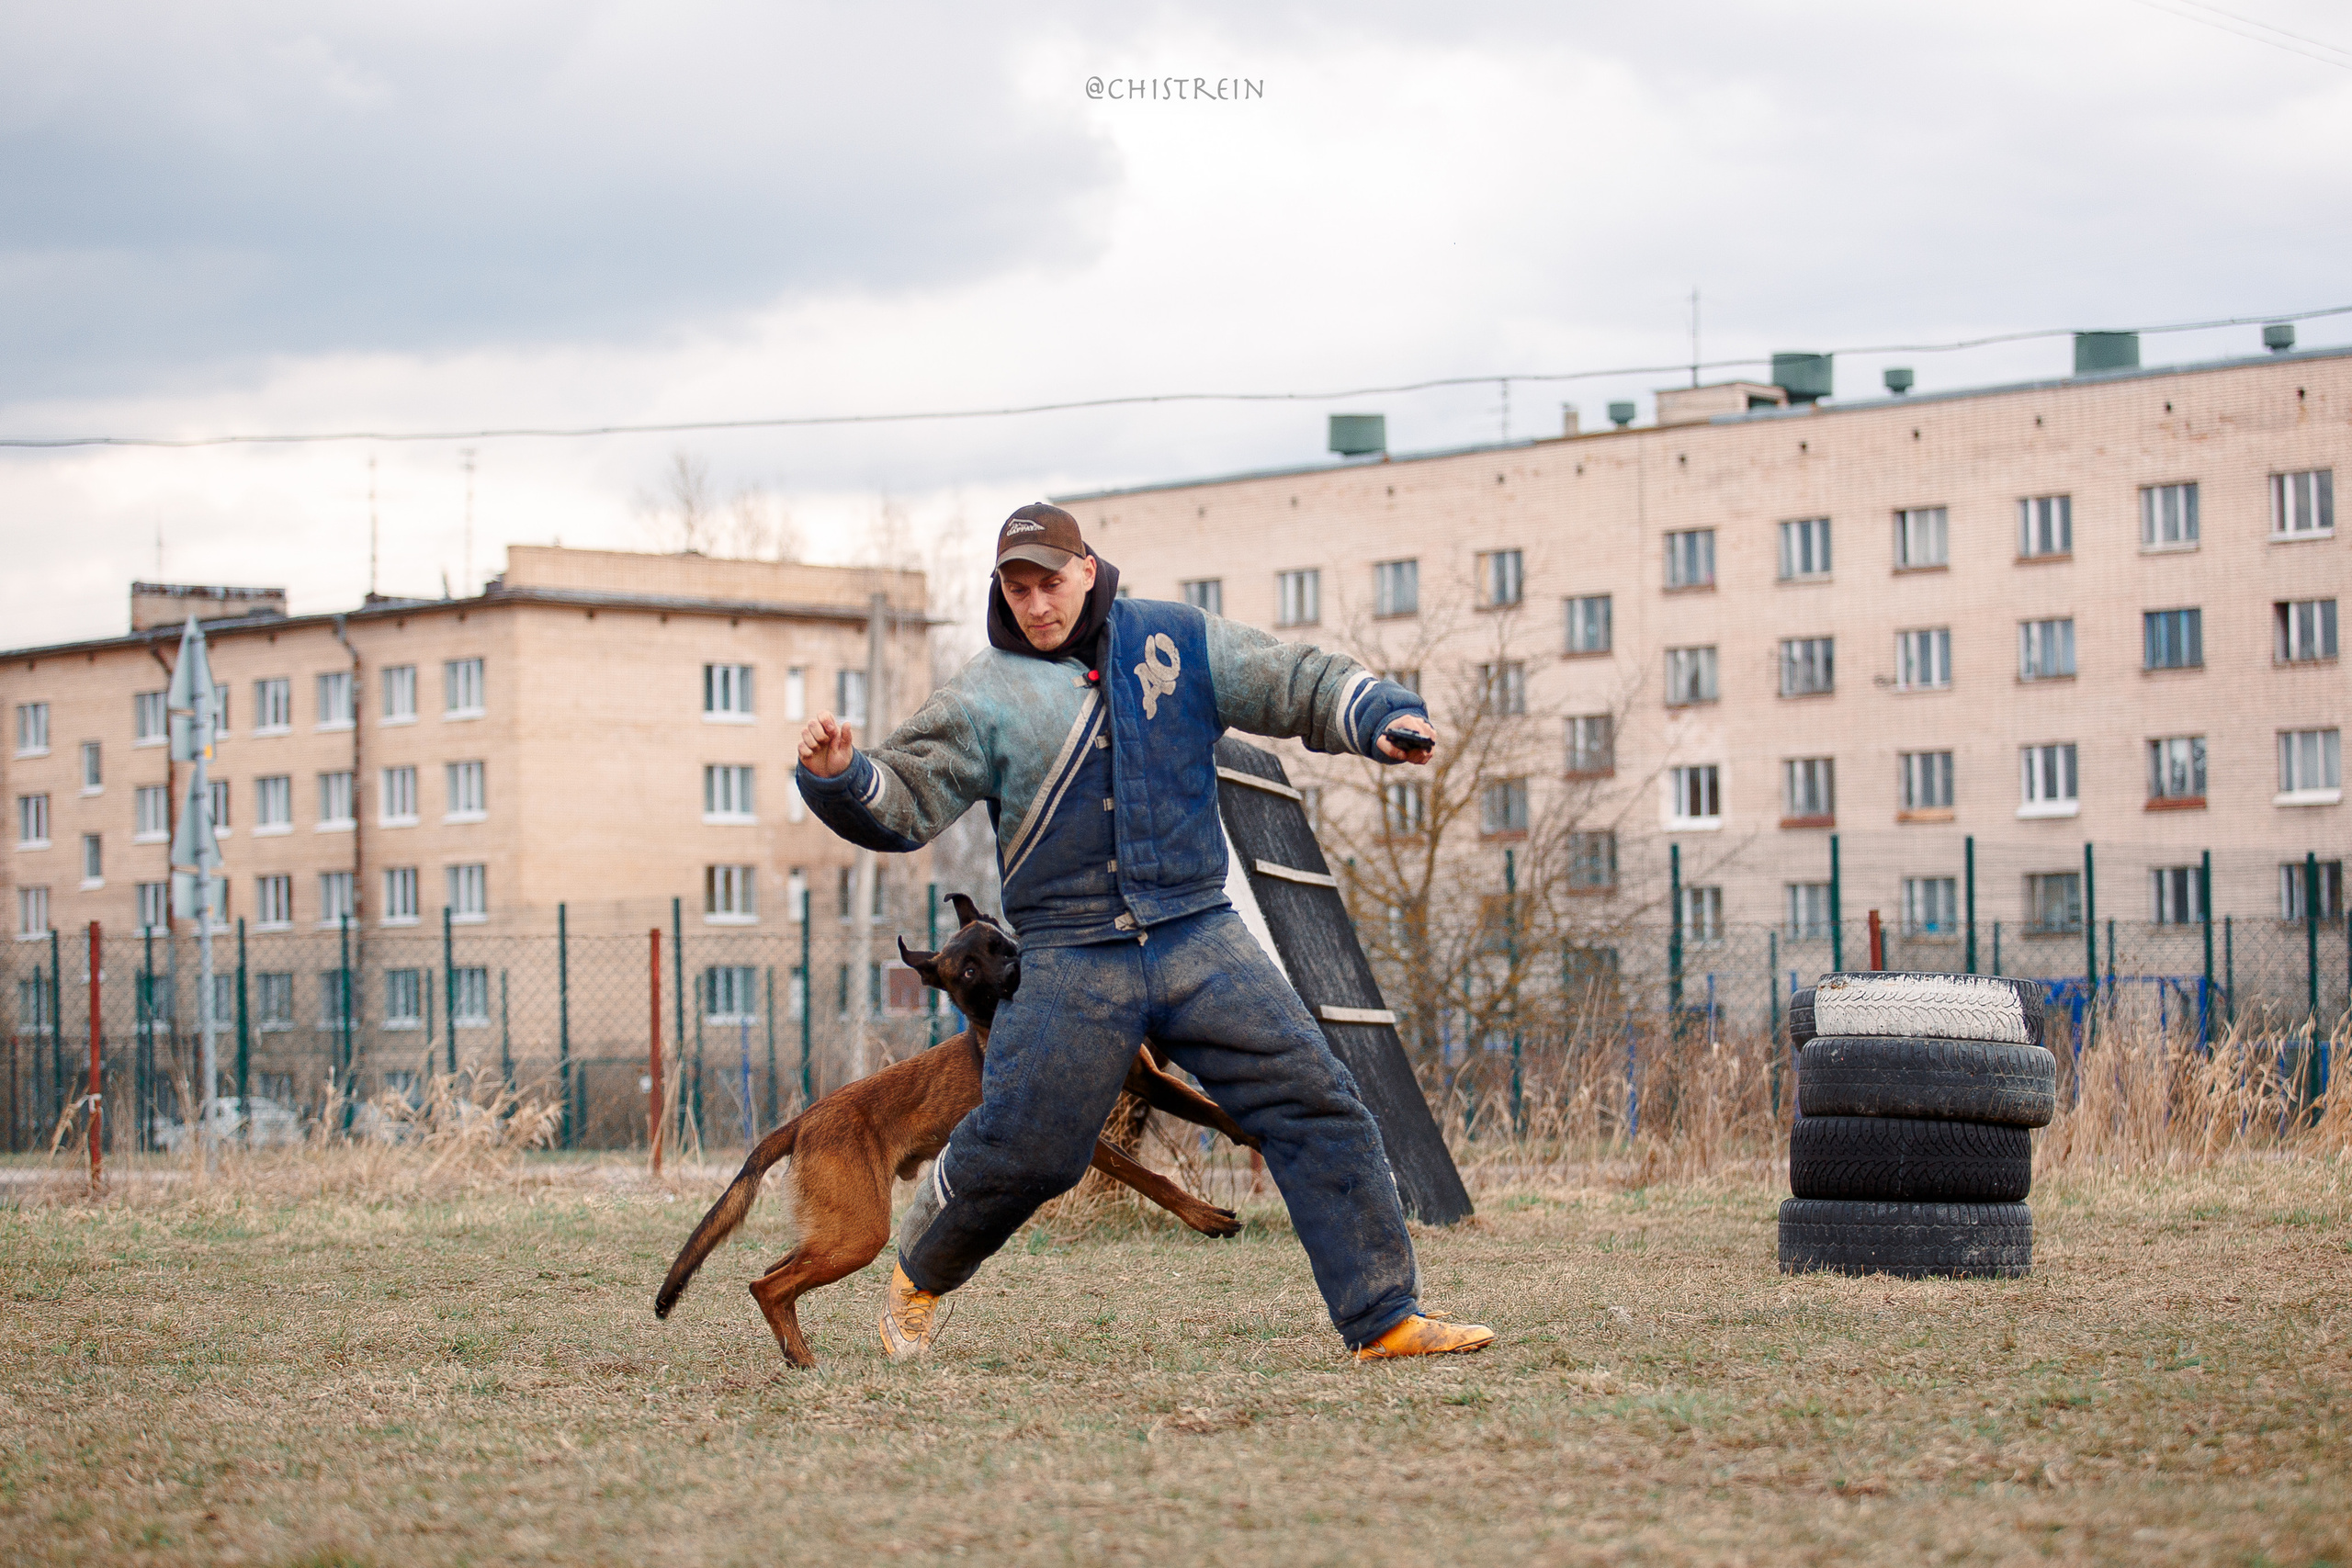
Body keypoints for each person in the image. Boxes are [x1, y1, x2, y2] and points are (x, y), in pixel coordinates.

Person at [796, 502, 1494, 1363]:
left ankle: (1385, 1319)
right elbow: (905, 796)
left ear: (1087, 567)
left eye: (1049, 582)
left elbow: (1291, 677)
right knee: (1028, 1149)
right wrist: (839, 776)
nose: (1035, 604)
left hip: (1198, 930)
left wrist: (1376, 711)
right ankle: (919, 1274)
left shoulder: (1175, 641)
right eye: (1016, 590)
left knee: (1316, 1100)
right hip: (1070, 950)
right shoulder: (987, 694)